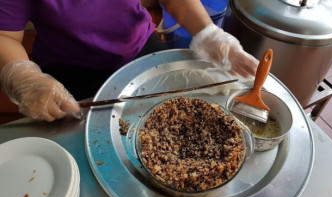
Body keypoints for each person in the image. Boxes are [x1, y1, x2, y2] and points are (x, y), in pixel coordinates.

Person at [0, 0, 258, 122]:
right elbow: (5, 36)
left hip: (138, 47)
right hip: (67, 70)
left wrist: (209, 34)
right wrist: (24, 76)